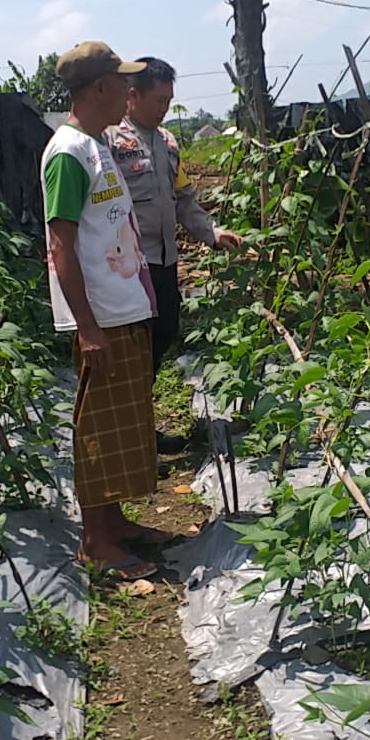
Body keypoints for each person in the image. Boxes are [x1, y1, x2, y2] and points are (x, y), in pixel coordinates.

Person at [42, 41, 173, 581]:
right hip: (101, 319)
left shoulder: (96, 146)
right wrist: (89, 328)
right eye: (122, 82)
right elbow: (61, 247)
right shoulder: (69, 153)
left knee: (123, 425)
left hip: (122, 309)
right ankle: (96, 542)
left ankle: (114, 522)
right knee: (99, 429)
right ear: (100, 88)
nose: (129, 91)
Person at [106, 57, 241, 452]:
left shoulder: (167, 143)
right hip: (127, 266)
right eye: (159, 99)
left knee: (162, 336)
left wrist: (211, 233)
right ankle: (129, 435)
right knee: (131, 350)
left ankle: (139, 427)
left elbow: (184, 200)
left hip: (163, 263)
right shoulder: (110, 142)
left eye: (169, 99)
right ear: (132, 95)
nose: (164, 107)